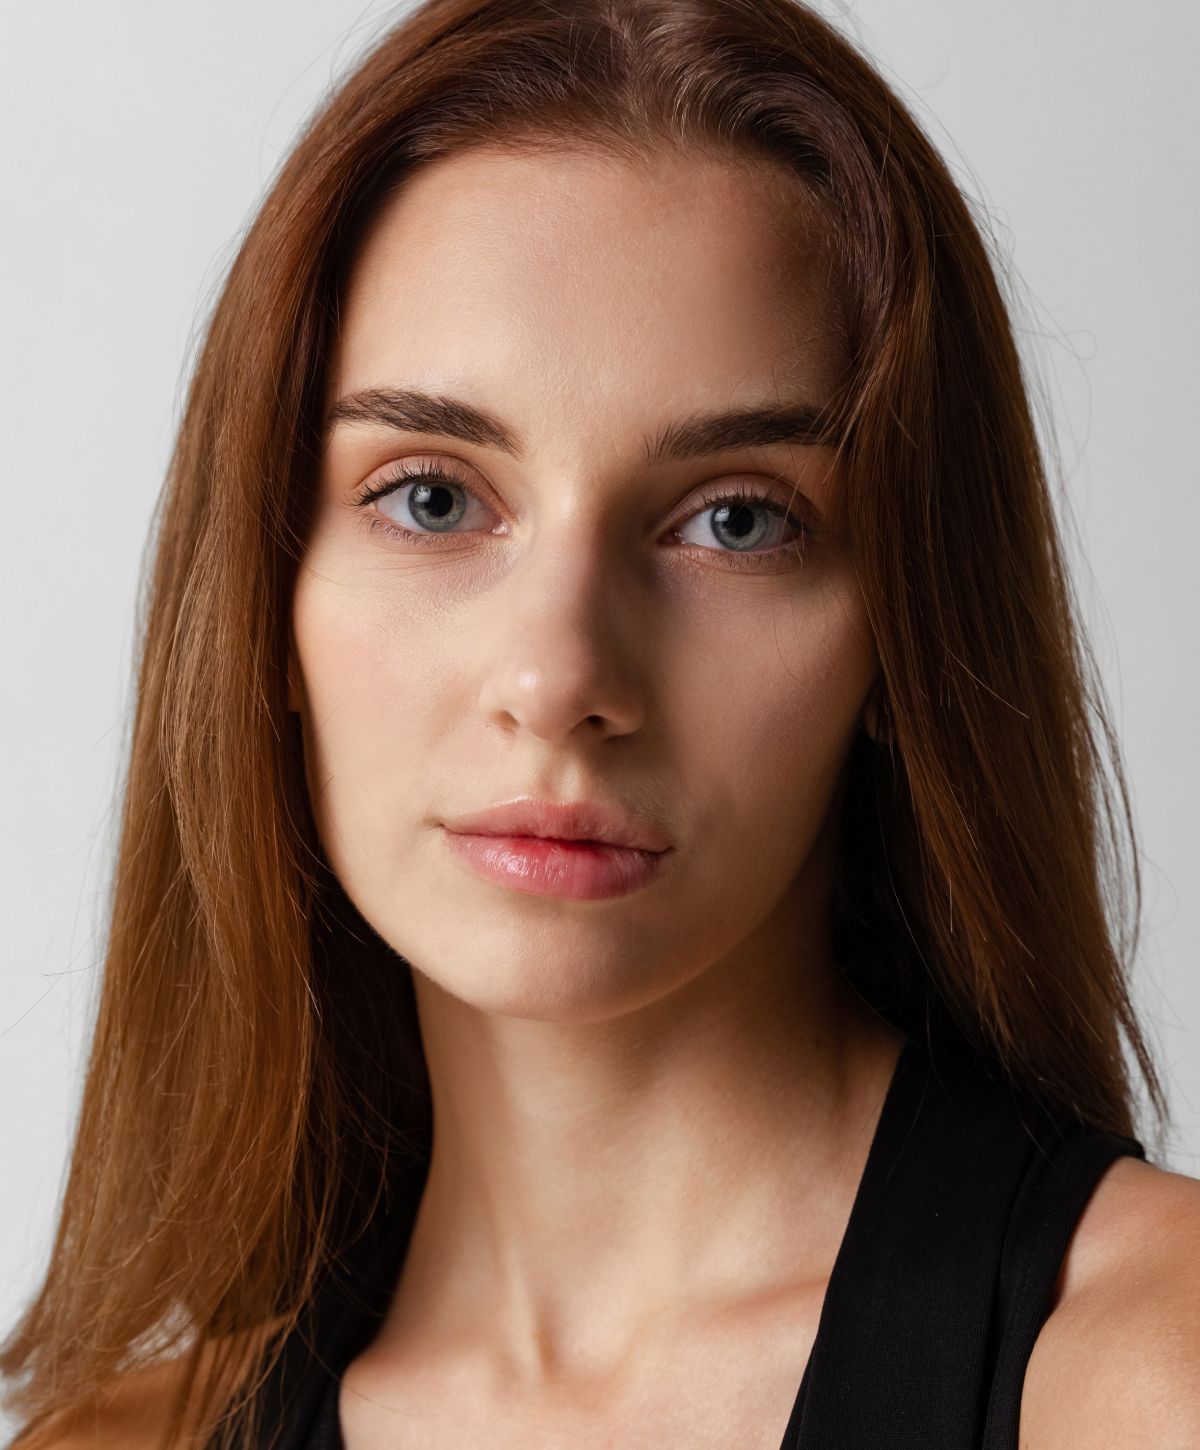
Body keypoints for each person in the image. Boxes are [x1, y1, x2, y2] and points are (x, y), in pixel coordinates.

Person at [5, 1, 1199, 1446]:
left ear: (905, 635)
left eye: (736, 518)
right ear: (263, 600)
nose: (561, 672)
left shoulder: (1148, 1374)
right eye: (432, 496)